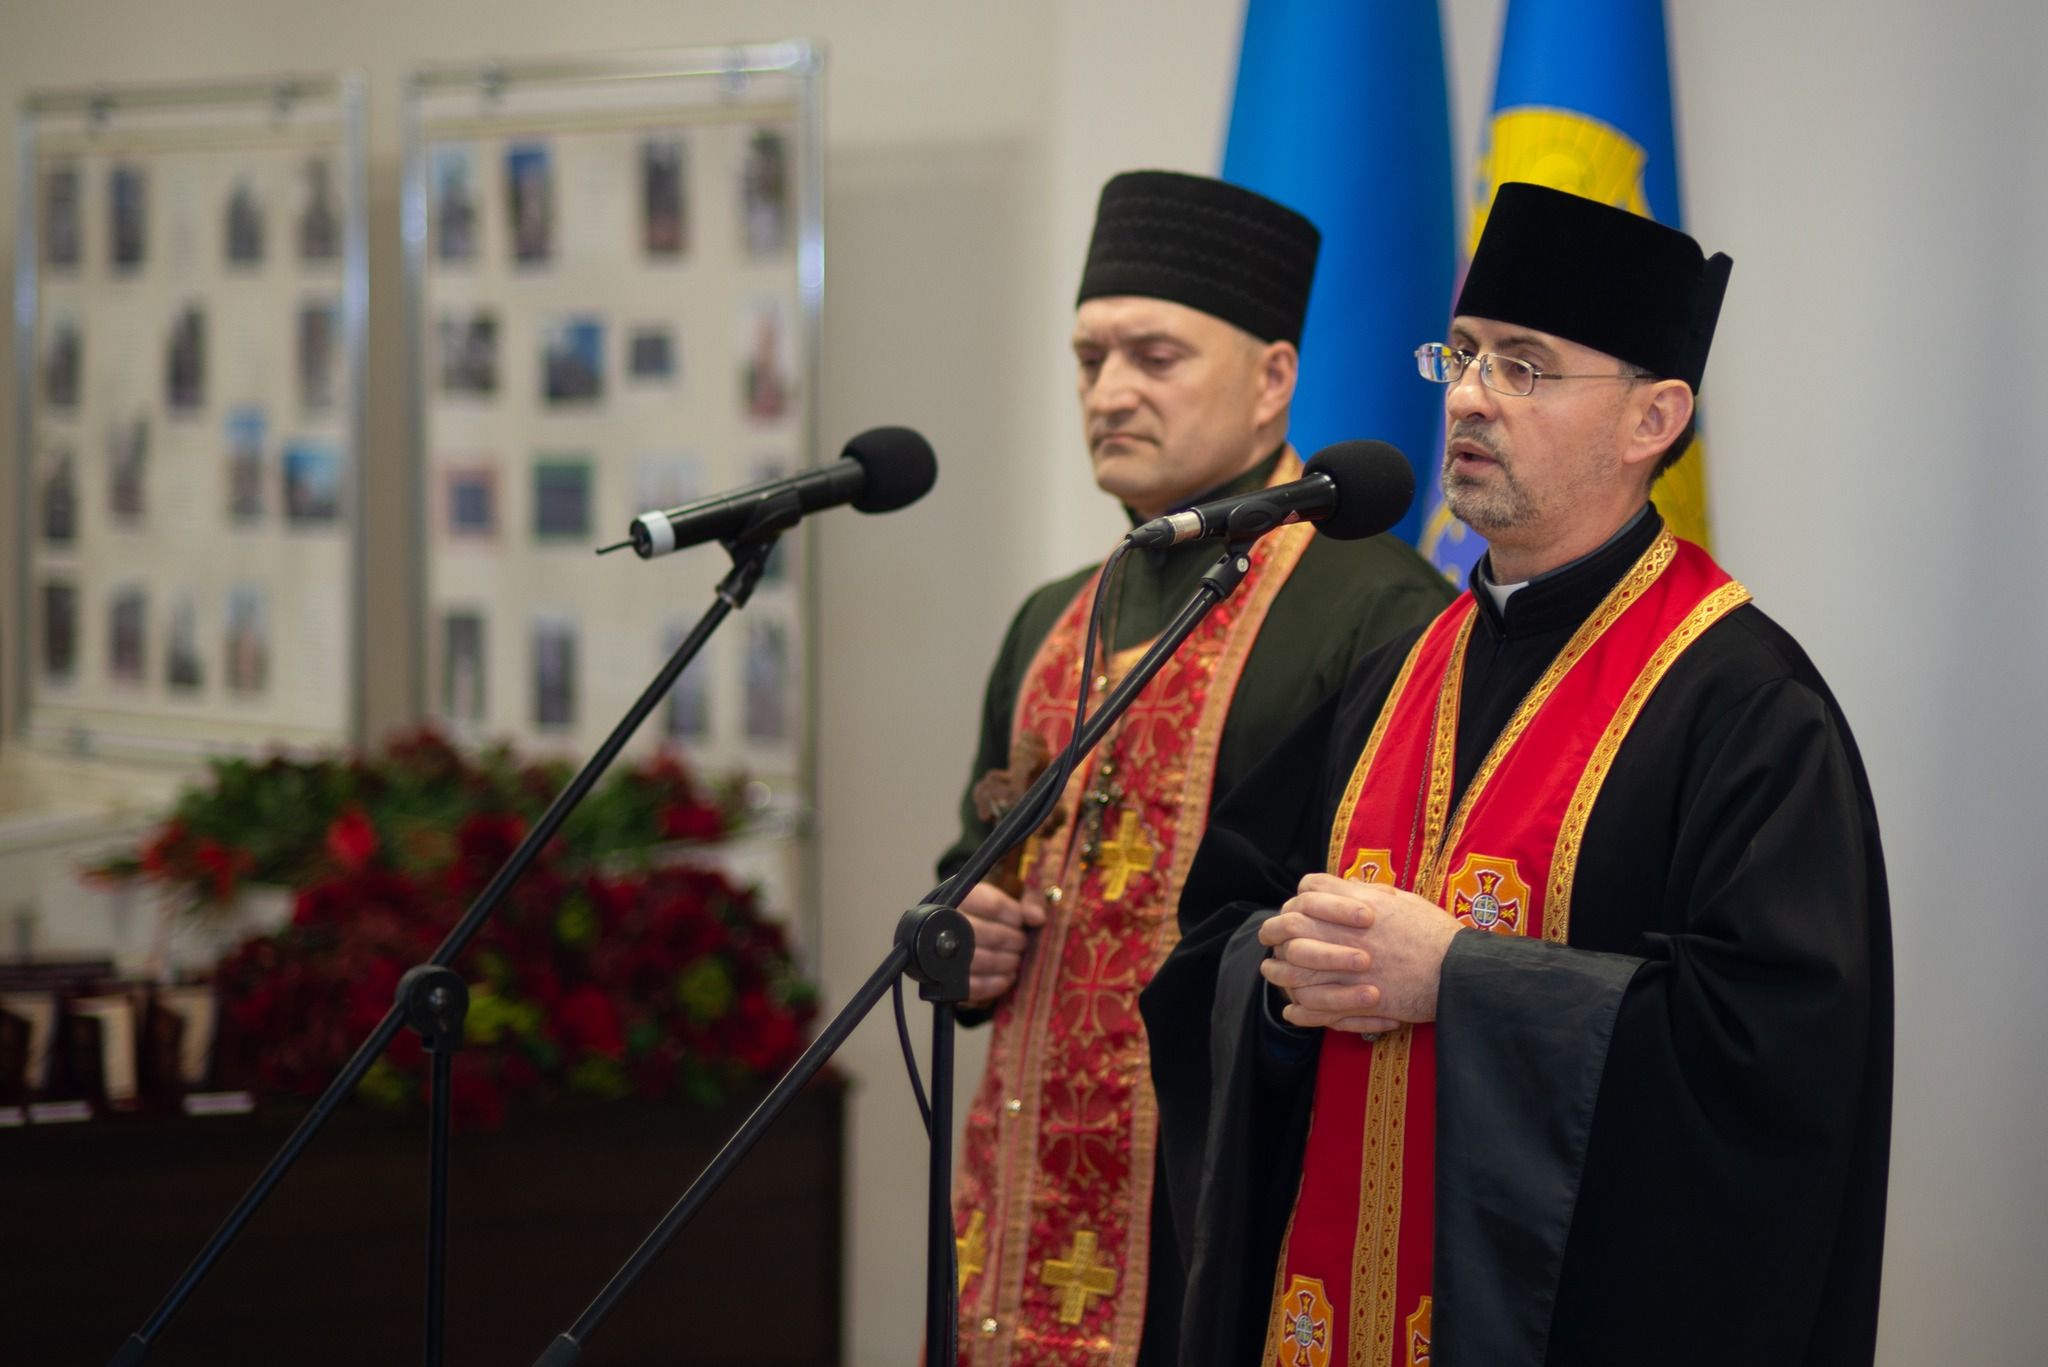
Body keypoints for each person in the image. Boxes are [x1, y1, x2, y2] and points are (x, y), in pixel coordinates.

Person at [1140, 182, 1893, 1367]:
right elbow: (1217, 936)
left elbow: (1773, 1056)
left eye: (1525, 368)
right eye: (1464, 356)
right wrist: (1284, 980)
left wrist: (1460, 979)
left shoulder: (1743, 702)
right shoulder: (1391, 673)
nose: (1470, 396)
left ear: (1654, 418)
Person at [940, 170, 1454, 1366]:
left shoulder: (1380, 606)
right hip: (1016, 1196)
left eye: (1153, 355)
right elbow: (976, 865)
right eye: (1087, 358)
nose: (1108, 391)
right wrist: (963, 930)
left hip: (1228, 1194)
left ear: (1274, 377)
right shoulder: (1050, 616)